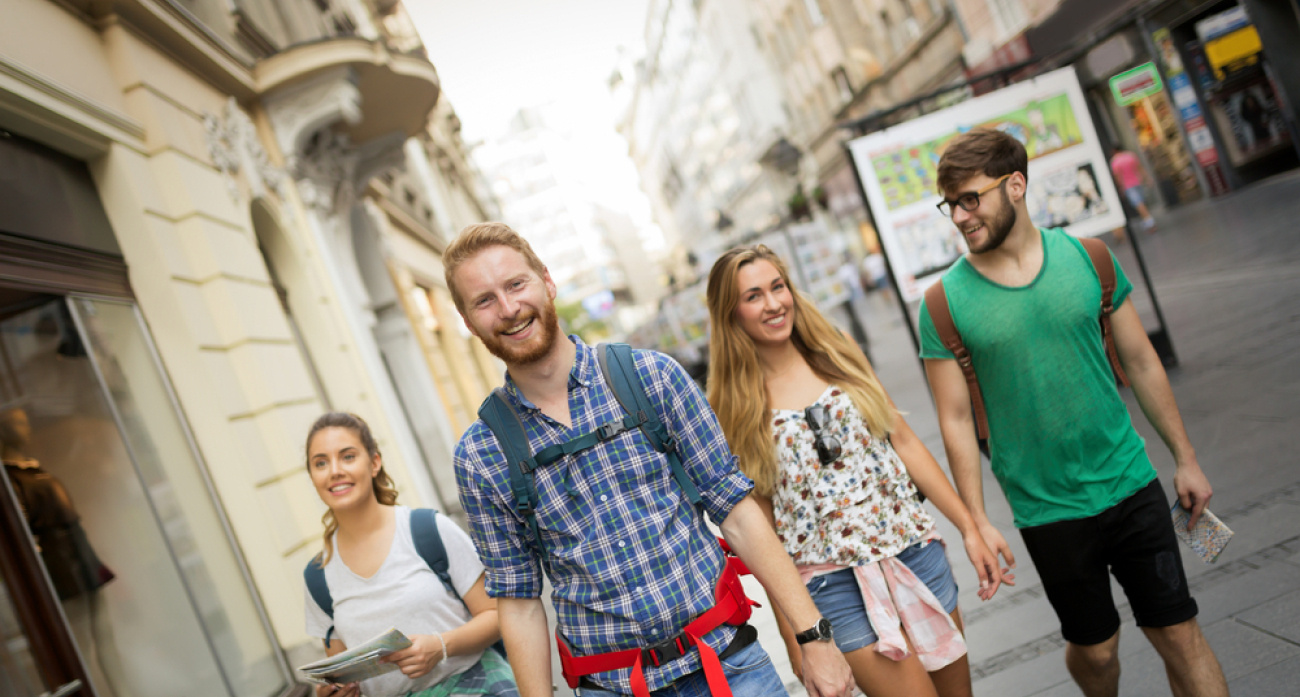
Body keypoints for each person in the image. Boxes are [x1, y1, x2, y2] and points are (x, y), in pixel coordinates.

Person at [445, 222, 854, 697]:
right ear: (468, 319)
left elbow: (738, 513)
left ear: (547, 280)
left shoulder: (651, 377)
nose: (509, 308)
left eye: (516, 284)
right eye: (485, 300)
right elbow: (517, 601)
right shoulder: (481, 455)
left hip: (730, 665)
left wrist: (815, 638)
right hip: (613, 685)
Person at [921, 128, 1228, 697]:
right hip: (1047, 510)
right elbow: (956, 420)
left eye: (971, 198)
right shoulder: (944, 304)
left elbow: (1140, 360)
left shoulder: (1089, 258)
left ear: (1015, 186)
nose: (961, 216)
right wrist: (978, 521)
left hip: (1129, 481)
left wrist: (1185, 459)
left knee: (1180, 633)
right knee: (1097, 650)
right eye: (951, 204)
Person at [703, 245, 1006, 697]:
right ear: (731, 313)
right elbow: (760, 530)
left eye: (778, 287)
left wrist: (970, 527)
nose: (773, 304)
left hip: (911, 550)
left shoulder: (836, 351)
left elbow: (901, 439)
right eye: (753, 296)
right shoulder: (731, 407)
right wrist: (796, 637)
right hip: (831, 583)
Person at [302, 412, 515, 697]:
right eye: (321, 463)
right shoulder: (318, 577)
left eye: (348, 457)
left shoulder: (427, 530)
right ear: (313, 476)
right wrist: (335, 692)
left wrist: (441, 646)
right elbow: (342, 674)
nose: (335, 471)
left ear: (374, 463)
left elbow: (499, 615)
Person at [1108, 145, 1156, 232]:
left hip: (1128, 186)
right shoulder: (1131, 156)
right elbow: (1140, 168)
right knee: (1141, 204)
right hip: (1138, 182)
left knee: (1139, 204)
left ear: (1114, 151)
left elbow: (1118, 176)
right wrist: (1147, 178)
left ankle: (1150, 222)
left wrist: (1121, 187)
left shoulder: (1115, 161)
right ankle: (1147, 221)